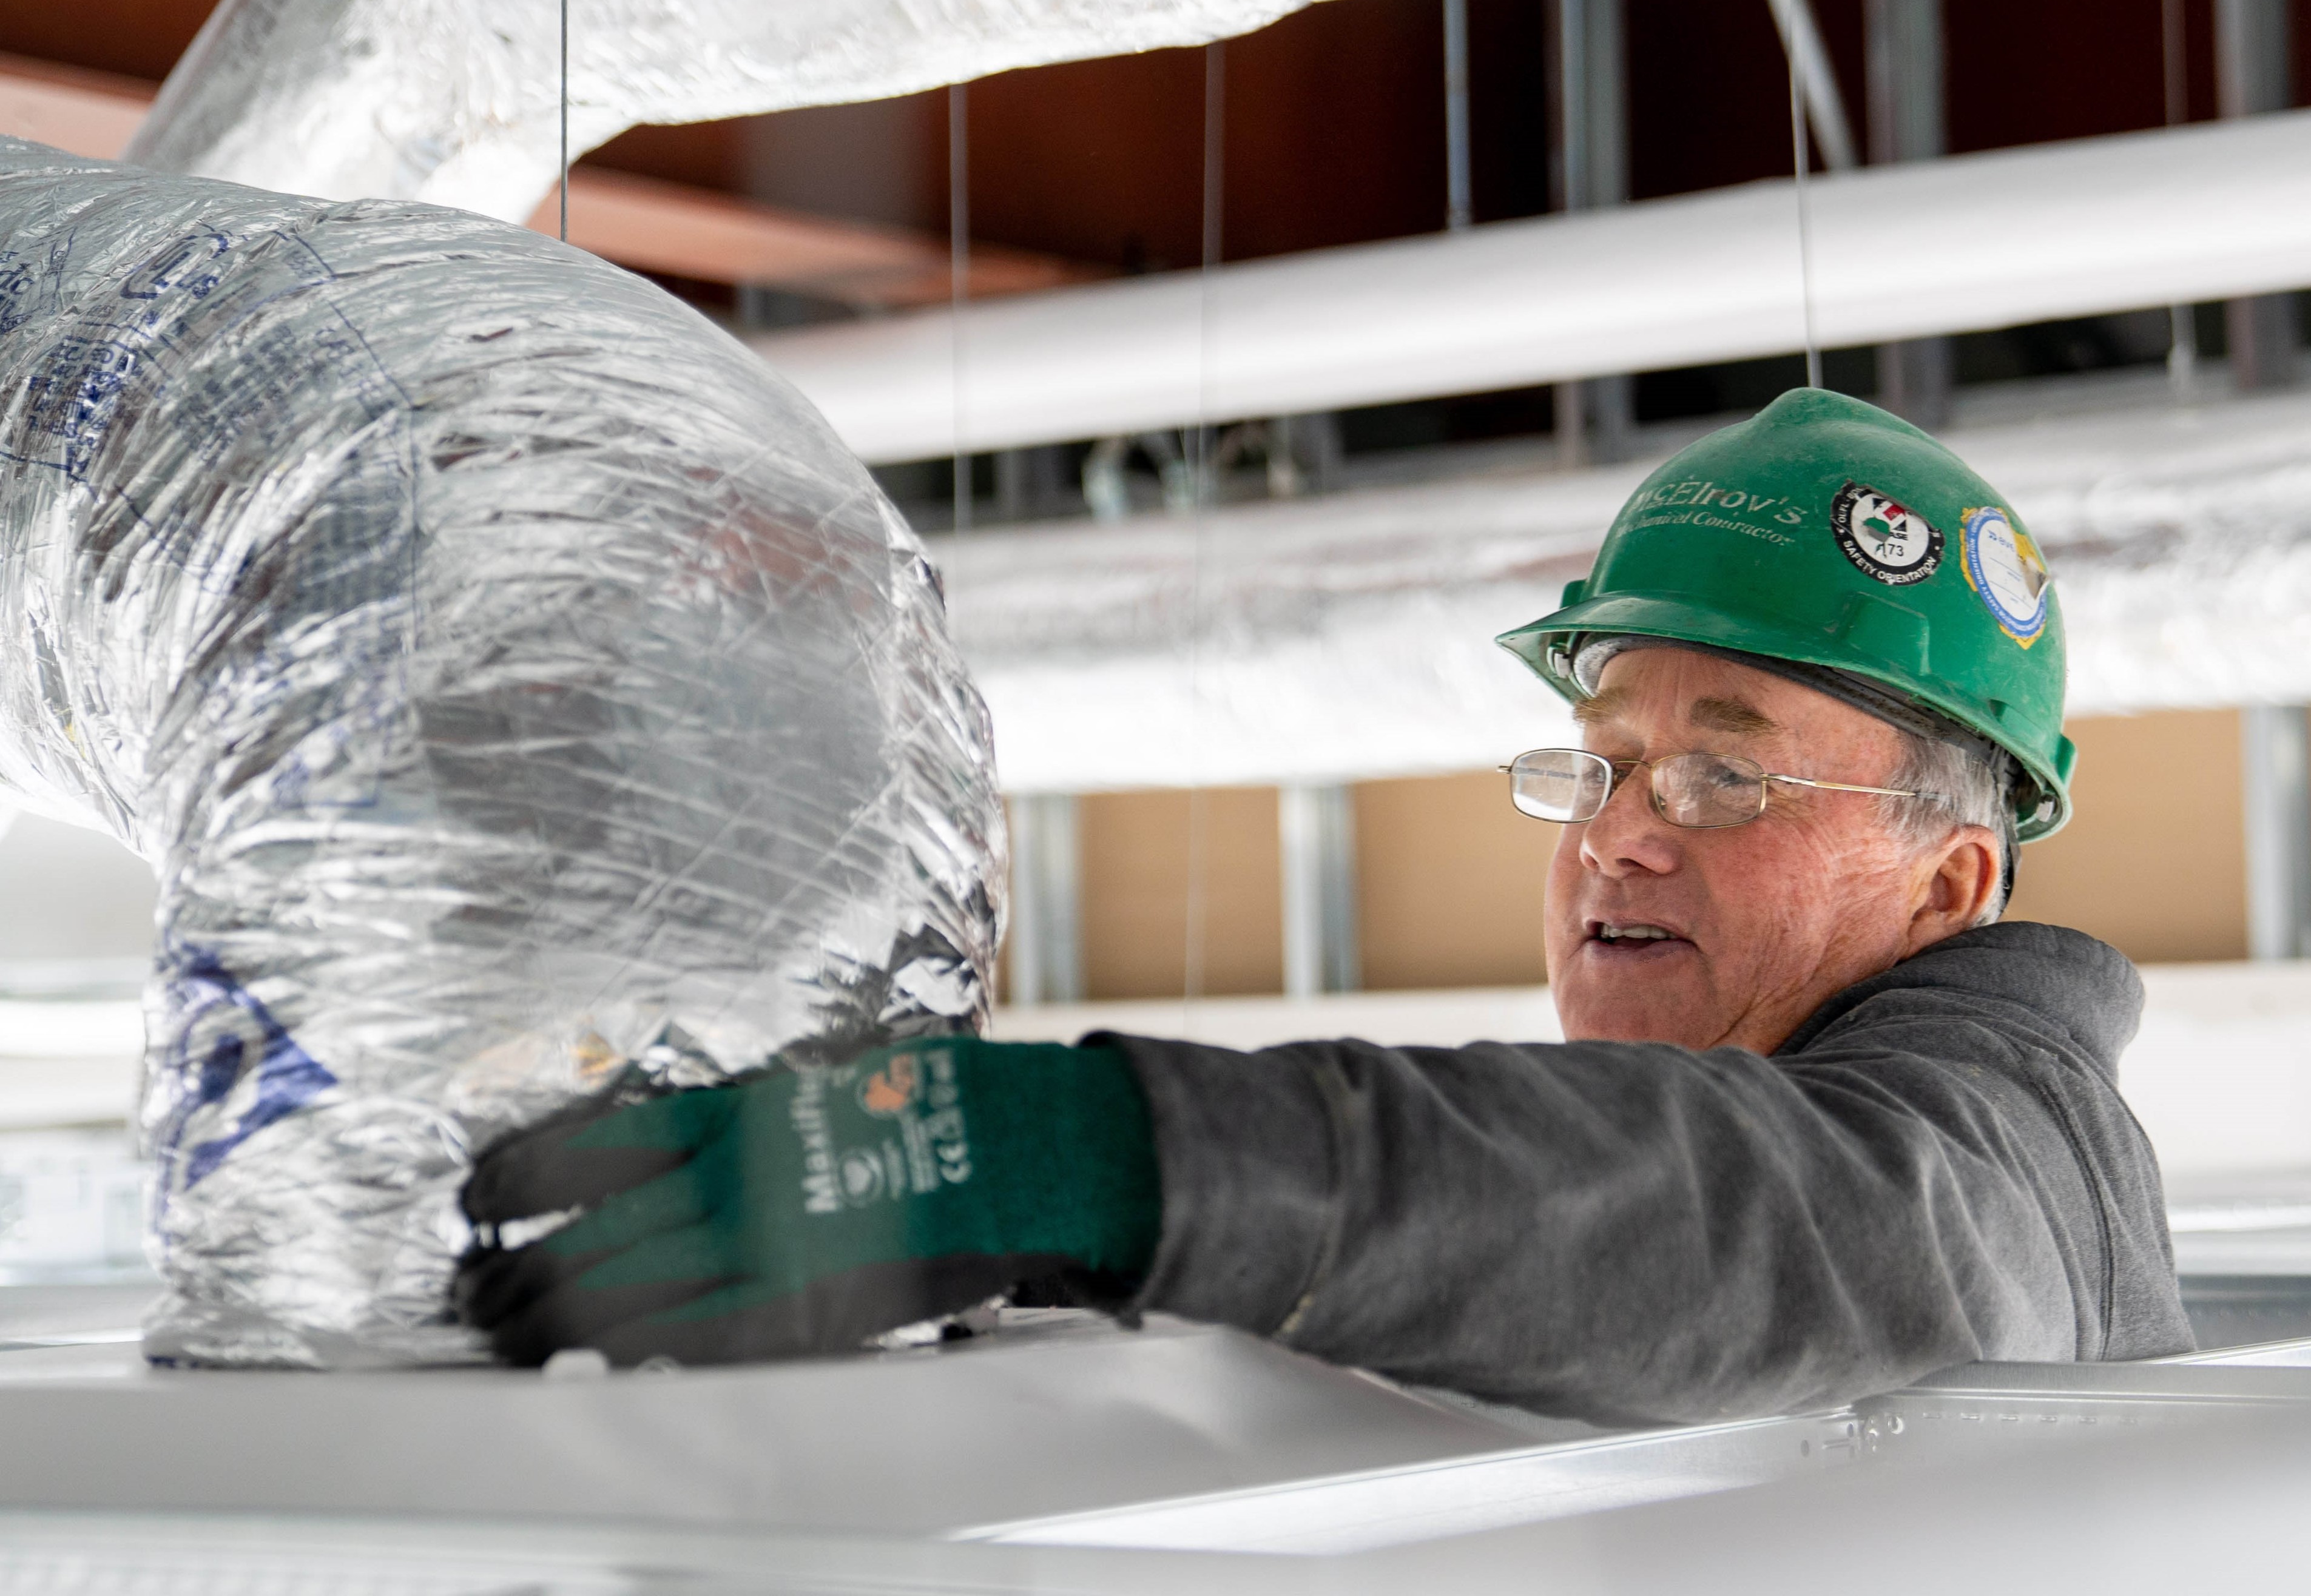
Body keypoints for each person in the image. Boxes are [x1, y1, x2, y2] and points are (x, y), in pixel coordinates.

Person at [457, 389, 2193, 1423]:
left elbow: (1800, 1222)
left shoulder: (2016, 1153)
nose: (1619, 839)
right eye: (1598, 765)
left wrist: (1073, 1155)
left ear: (1947, 881)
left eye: (1722, 778)